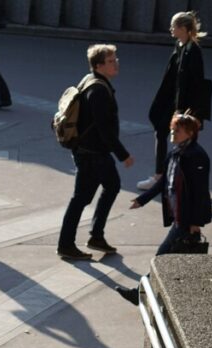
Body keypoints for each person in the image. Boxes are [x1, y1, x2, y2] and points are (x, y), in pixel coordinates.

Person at [117, 113, 211, 305]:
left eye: (178, 130)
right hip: (179, 216)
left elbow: (200, 192)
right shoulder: (175, 154)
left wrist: (195, 222)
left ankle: (139, 294)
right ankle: (153, 295)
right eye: (172, 129)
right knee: (175, 260)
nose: (173, 133)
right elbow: (163, 183)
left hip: (186, 219)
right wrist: (142, 200)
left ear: (190, 133)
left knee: (162, 258)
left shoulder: (196, 156)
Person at [56, 44, 133, 261]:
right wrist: (123, 155)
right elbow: (103, 127)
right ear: (99, 66)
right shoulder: (98, 90)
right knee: (81, 198)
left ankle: (95, 236)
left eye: (115, 59)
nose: (116, 63)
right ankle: (67, 244)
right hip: (92, 153)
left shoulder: (90, 80)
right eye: (111, 61)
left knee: (110, 186)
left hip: (89, 150)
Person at [138, 11, 208, 191]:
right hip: (173, 102)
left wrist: (185, 111)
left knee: (182, 140)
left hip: (184, 106)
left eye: (173, 26)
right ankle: (164, 176)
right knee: (163, 133)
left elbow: (196, 84)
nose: (170, 29)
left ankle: (166, 178)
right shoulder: (180, 45)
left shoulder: (193, 51)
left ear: (183, 28)